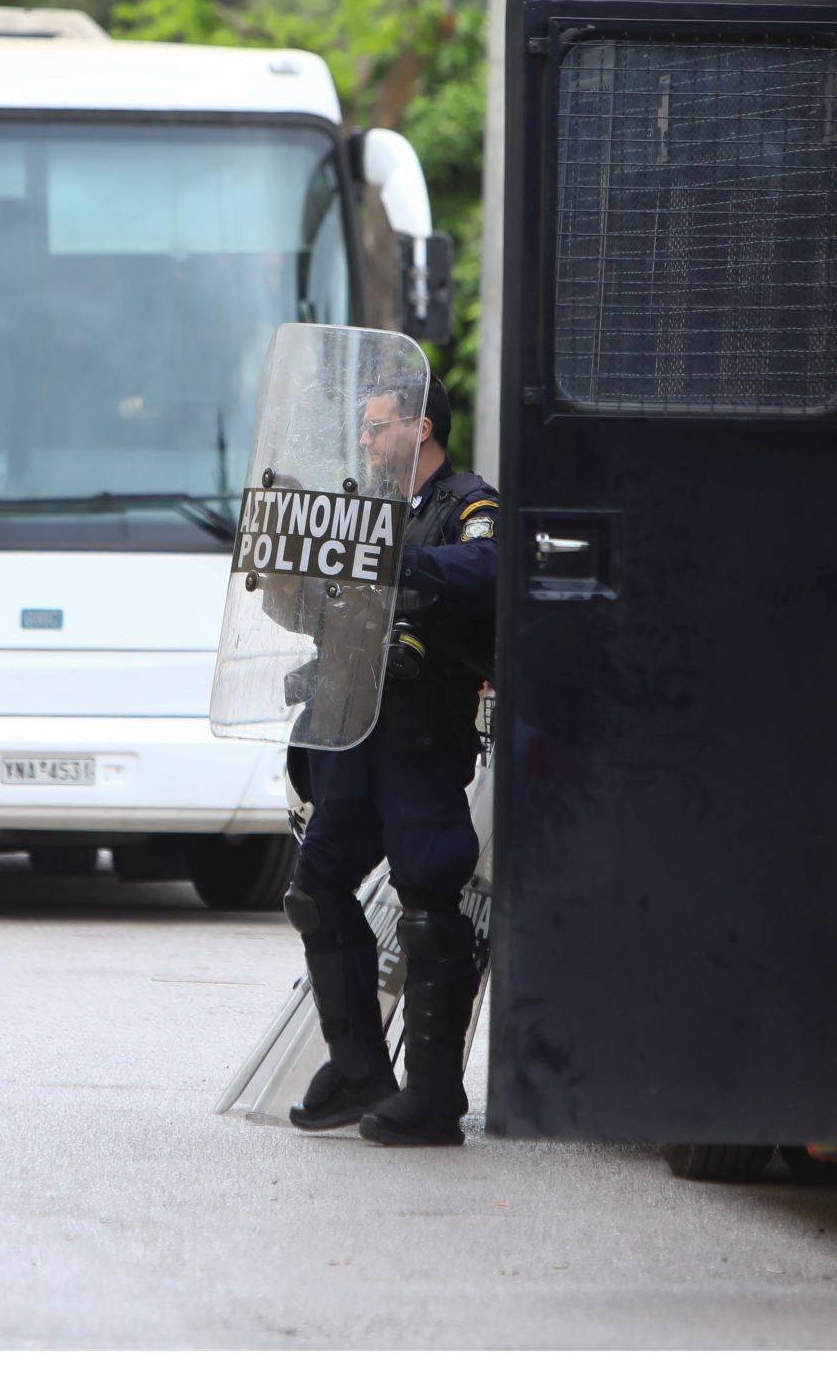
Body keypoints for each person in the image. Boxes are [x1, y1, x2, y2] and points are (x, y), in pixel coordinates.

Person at [284, 372, 498, 1147]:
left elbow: (495, 568)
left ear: (424, 426)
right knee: (317, 886)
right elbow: (317, 600)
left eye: (378, 427)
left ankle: (435, 1096)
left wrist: (406, 567)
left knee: (429, 893)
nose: (367, 440)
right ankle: (360, 1068)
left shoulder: (466, 502)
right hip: (349, 728)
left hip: (416, 734)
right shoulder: (366, 508)